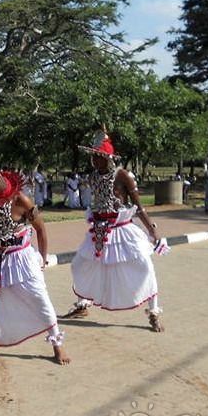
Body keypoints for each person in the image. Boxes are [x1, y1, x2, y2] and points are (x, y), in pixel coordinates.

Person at [0, 170, 71, 365]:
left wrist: (43, 259)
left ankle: (57, 344)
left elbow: (41, 229)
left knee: (39, 298)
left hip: (20, 258)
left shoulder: (22, 201)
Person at [63, 128, 167, 332]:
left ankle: (153, 312)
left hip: (123, 230)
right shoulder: (93, 177)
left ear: (108, 158)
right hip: (99, 231)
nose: (94, 160)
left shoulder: (123, 176)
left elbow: (139, 207)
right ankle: (83, 304)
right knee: (79, 265)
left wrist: (152, 230)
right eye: (93, 156)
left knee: (144, 266)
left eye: (98, 156)